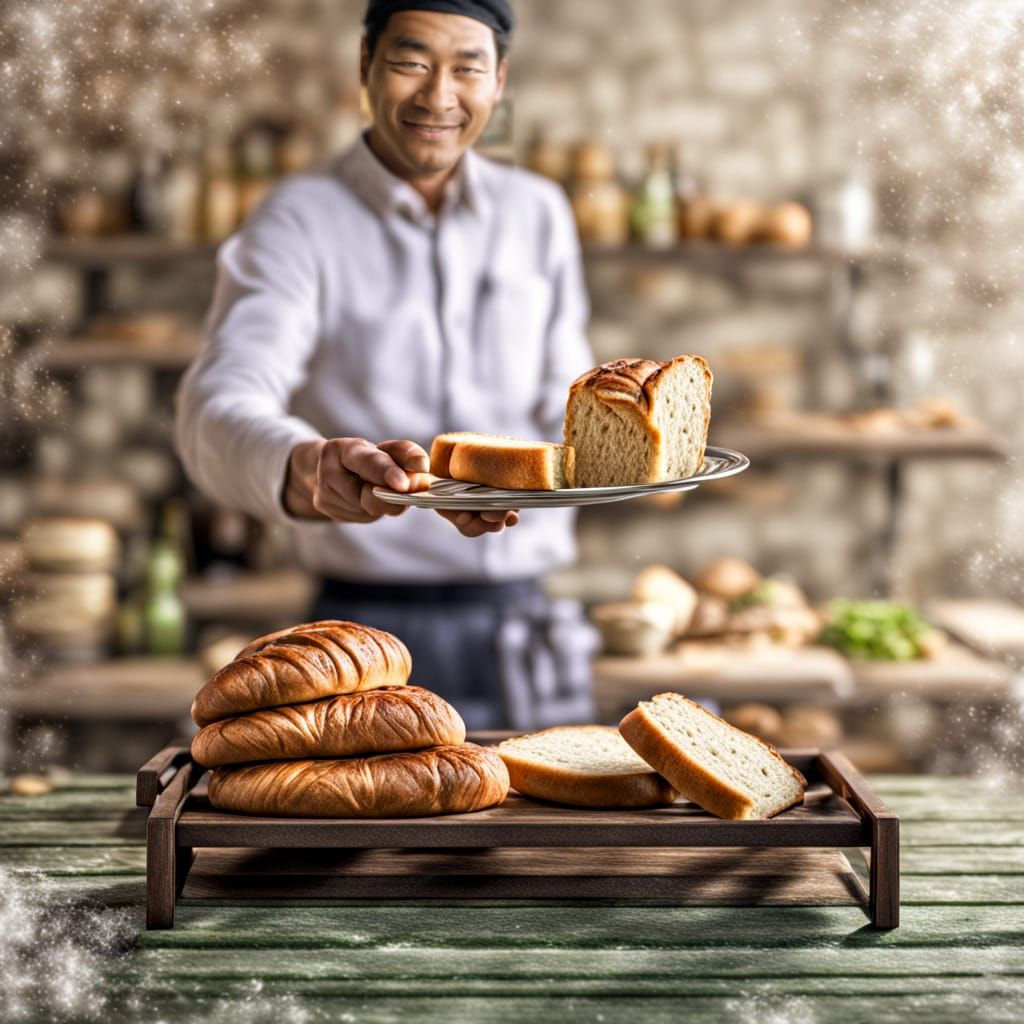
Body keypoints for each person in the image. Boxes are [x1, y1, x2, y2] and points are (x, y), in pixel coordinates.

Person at [174, 0, 595, 729]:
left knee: (541, 840)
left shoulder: (539, 213)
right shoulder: (298, 217)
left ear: (499, 82)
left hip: (529, 623)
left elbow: (567, 411)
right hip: (359, 632)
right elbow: (215, 406)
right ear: (365, 65)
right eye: (411, 62)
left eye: (467, 68)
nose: (439, 96)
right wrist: (309, 467)